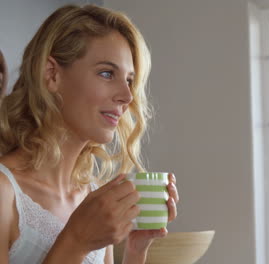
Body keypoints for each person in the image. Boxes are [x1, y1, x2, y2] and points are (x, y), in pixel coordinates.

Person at [0, 4, 179, 264]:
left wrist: (136, 250)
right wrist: (77, 240)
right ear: (52, 74)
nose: (127, 96)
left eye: (129, 80)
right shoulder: (5, 193)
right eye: (107, 73)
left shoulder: (89, 195)